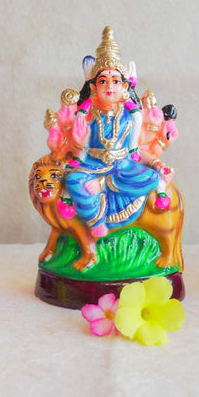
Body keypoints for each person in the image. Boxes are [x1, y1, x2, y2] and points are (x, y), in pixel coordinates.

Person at [65, 27, 160, 238]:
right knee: (72, 181)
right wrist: (79, 143)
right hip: (93, 165)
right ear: (94, 87)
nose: (109, 86)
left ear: (124, 87)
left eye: (115, 81)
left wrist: (103, 181)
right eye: (103, 81)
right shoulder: (88, 115)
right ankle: (95, 221)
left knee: (152, 178)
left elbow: (134, 146)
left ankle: (102, 185)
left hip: (121, 166)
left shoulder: (129, 115)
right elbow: (79, 150)